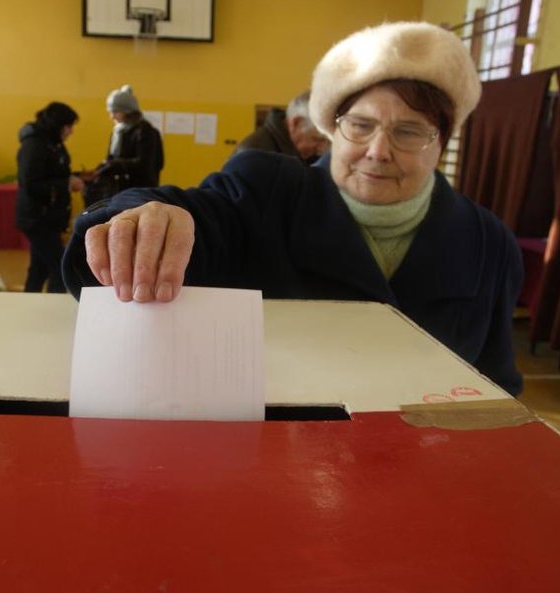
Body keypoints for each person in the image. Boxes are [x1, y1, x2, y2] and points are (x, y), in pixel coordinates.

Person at [62, 22, 524, 395]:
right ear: (332, 129)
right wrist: (143, 216)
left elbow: (496, 382)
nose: (378, 151)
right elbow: (197, 213)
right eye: (359, 126)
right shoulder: (267, 190)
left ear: (441, 142)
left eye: (408, 132)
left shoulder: (487, 242)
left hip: (417, 472)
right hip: (276, 466)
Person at [16, 102, 82, 293]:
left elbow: (54, 173)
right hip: (37, 218)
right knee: (62, 268)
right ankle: (54, 308)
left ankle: (29, 303)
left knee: (39, 268)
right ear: (58, 125)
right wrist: (66, 184)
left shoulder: (53, 143)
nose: (71, 131)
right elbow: (30, 183)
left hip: (48, 217)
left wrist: (72, 177)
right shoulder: (34, 145)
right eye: (69, 126)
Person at [83, 85, 164, 207]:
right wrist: (100, 169)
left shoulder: (145, 131)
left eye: (115, 112)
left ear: (127, 111)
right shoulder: (117, 131)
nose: (112, 116)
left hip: (139, 192)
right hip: (118, 190)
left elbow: (147, 164)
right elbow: (111, 158)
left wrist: (116, 164)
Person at [234, 91, 330, 163]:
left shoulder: (306, 156)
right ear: (296, 123)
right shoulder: (253, 155)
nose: (322, 149)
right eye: (317, 139)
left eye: (327, 141)